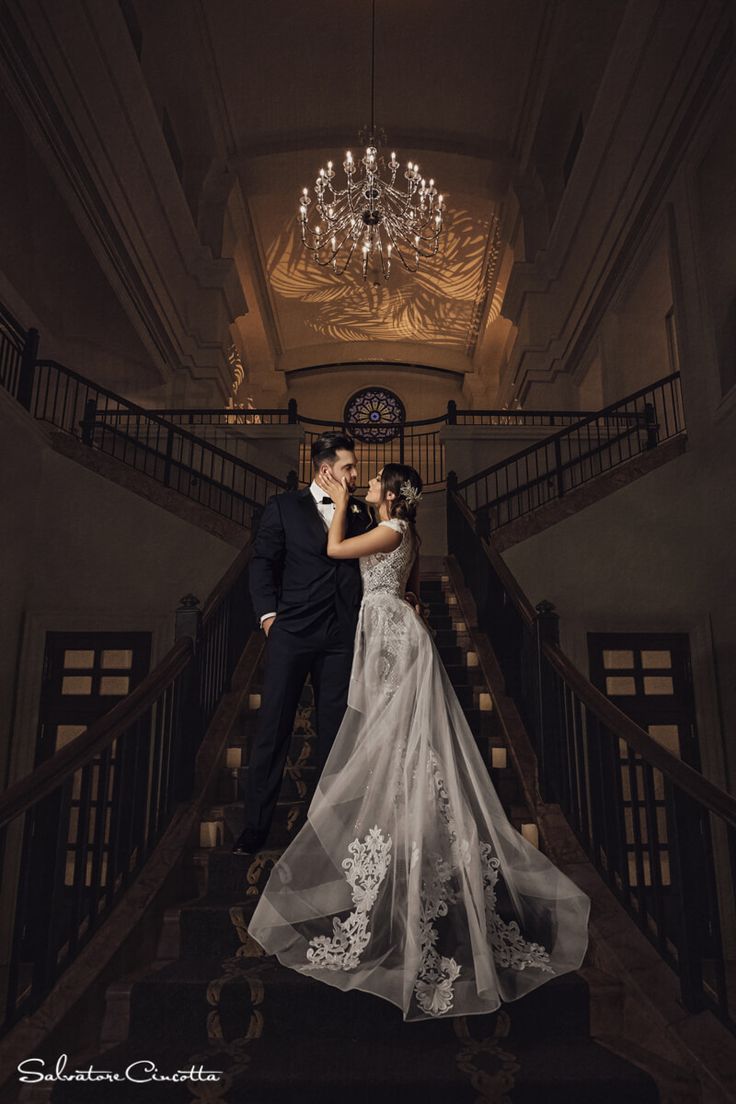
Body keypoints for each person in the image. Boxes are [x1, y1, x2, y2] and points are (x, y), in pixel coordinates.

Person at [246, 463, 591, 1021]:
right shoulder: (398, 534)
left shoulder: (396, 530)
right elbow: (394, 583)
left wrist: (334, 502)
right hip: (384, 626)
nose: (369, 485)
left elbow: (337, 552)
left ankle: (415, 866)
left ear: (394, 495)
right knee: (392, 741)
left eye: (376, 480)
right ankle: (400, 855)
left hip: (390, 632)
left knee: (397, 739)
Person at [232, 432, 376, 855]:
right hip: (291, 633)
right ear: (325, 469)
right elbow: (263, 563)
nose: (356, 474)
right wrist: (269, 619)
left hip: (341, 635)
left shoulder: (362, 513)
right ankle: (255, 829)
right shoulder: (282, 507)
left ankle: (329, 834)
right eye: (349, 467)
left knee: (336, 736)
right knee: (273, 730)